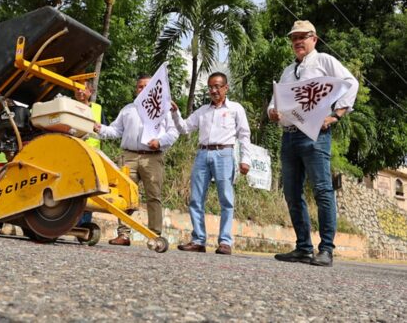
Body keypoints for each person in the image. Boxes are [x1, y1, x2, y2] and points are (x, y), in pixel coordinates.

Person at [269, 20, 359, 267]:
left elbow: (351, 83)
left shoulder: (324, 61)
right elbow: (275, 99)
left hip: (315, 136)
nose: (297, 41)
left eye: (302, 37)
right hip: (289, 136)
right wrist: (272, 112)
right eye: (294, 38)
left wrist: (336, 115)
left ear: (314, 39)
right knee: (291, 192)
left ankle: (326, 249)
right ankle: (303, 247)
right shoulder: (288, 70)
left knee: (321, 190)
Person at [171, 72, 252, 255]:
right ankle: (198, 240)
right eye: (210, 87)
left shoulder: (236, 109)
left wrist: (245, 159)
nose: (213, 91)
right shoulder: (203, 111)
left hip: (224, 153)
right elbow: (184, 128)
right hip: (202, 154)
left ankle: (225, 241)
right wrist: (175, 113)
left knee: (226, 198)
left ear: (226, 87)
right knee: (196, 198)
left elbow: (244, 135)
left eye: (217, 86)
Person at [94, 74, 179, 246]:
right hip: (129, 156)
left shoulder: (163, 108)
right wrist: (99, 128)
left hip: (152, 158)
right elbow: (116, 131)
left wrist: (160, 142)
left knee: (153, 196)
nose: (143, 90)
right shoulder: (128, 109)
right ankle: (123, 234)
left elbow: (173, 132)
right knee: (124, 194)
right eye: (140, 86)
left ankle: (154, 236)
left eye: (147, 86)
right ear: (136, 89)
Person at [75, 80, 107, 227]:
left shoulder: (98, 109)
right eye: (77, 89)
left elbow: (106, 131)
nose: (80, 92)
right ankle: (70, 222)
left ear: (90, 91)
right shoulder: (69, 107)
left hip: (93, 154)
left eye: (84, 89)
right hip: (75, 152)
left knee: (89, 188)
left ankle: (84, 224)